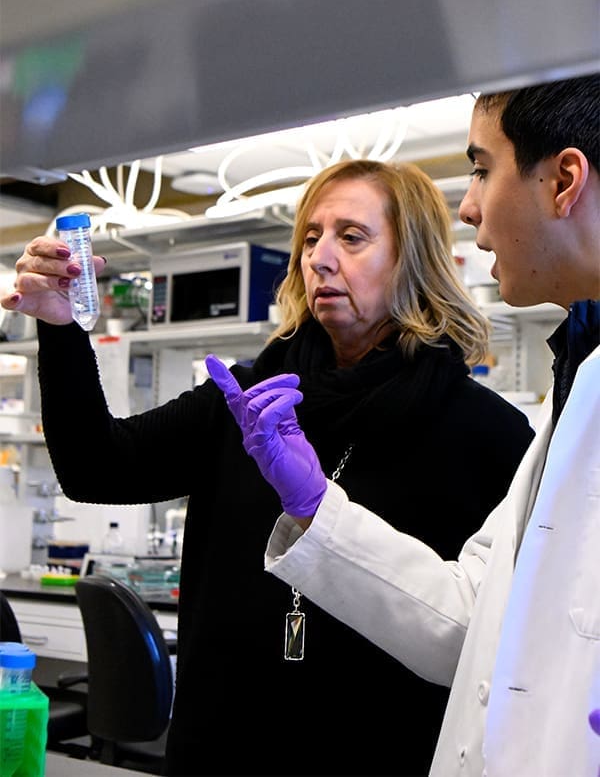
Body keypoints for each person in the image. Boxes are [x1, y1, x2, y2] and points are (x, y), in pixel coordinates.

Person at [0, 160, 535, 777]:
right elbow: (95, 468)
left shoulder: (487, 434)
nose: (320, 258)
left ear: (411, 257)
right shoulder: (248, 400)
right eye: (311, 237)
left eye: (351, 237)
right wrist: (61, 330)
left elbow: (495, 640)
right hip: (221, 751)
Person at [207, 74, 600, 776]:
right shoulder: (576, 374)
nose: (470, 207)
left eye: (481, 170)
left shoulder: (487, 424)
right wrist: (314, 510)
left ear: (564, 180)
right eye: (311, 238)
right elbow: (468, 623)